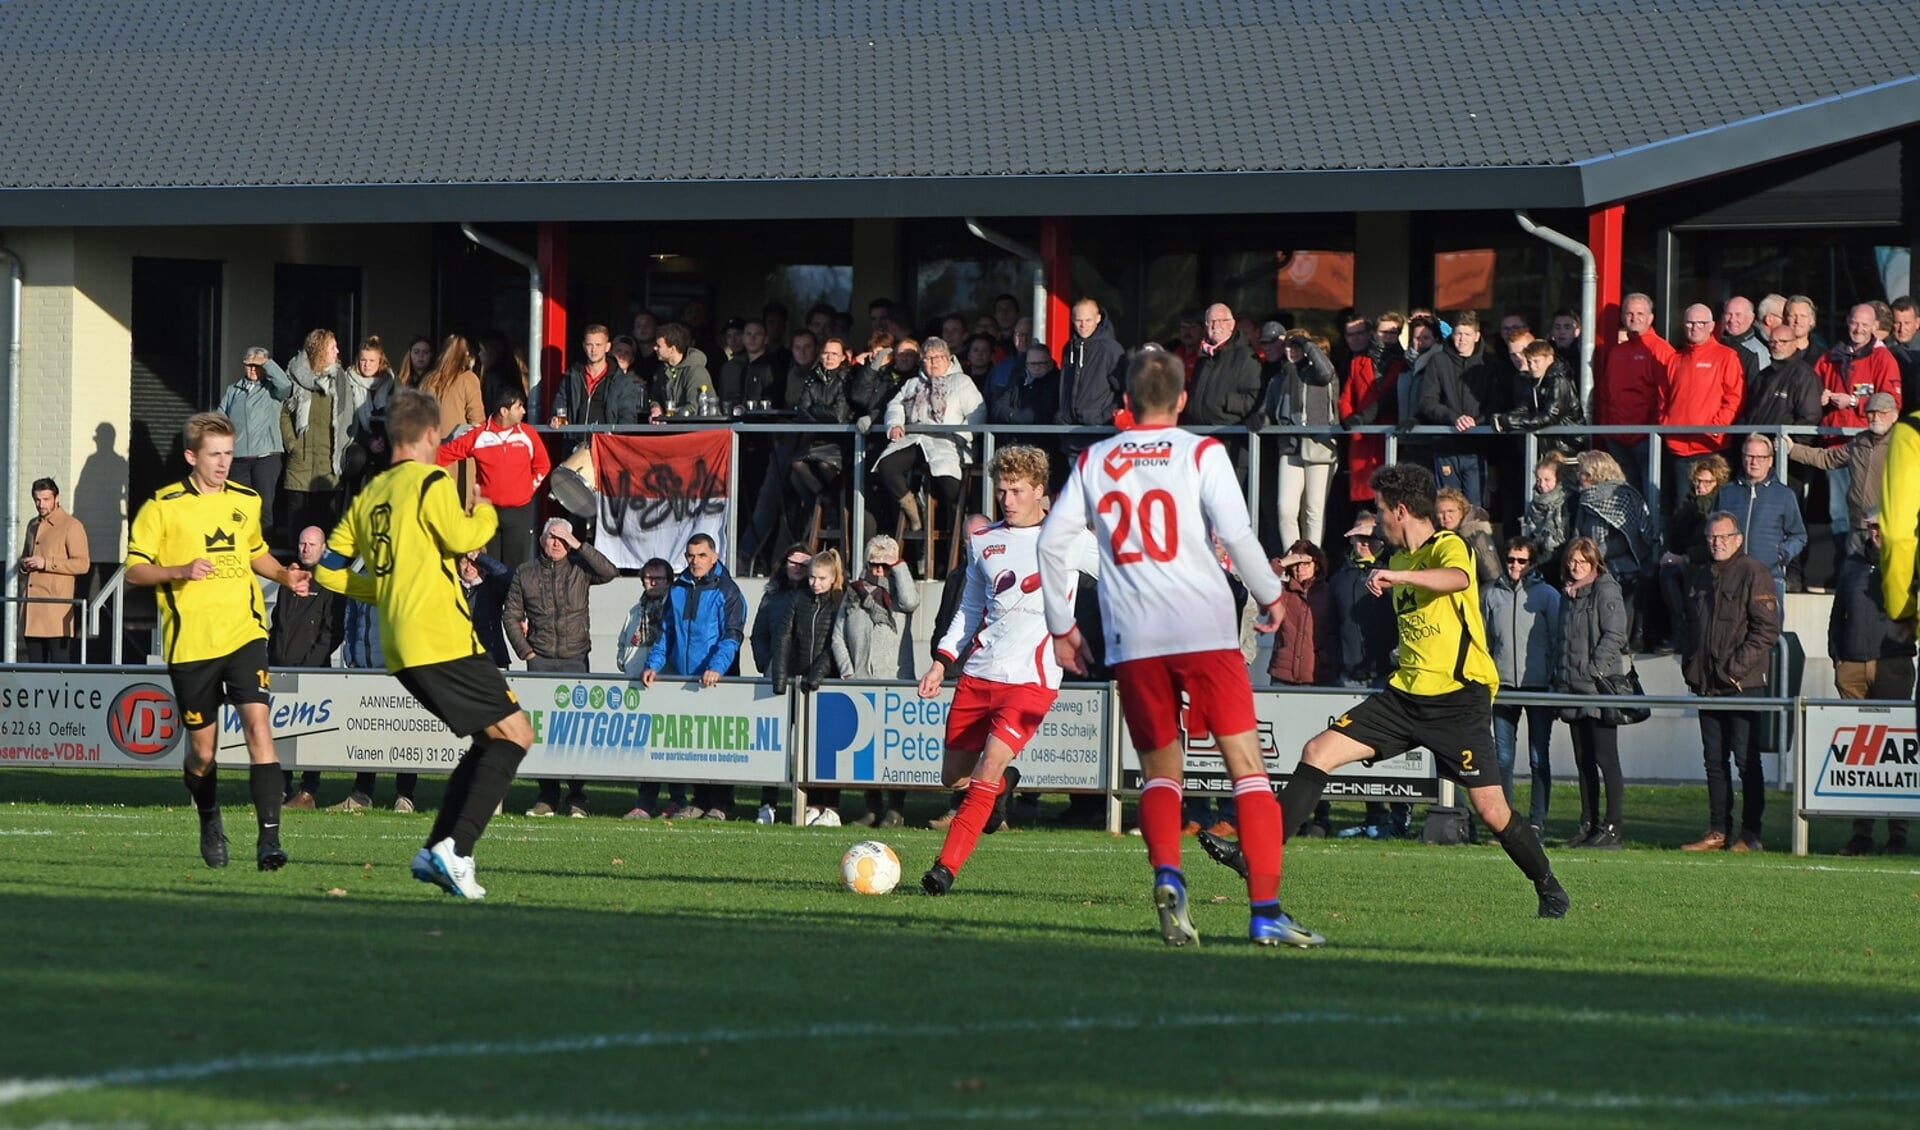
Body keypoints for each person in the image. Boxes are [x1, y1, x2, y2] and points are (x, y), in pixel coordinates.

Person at [1204, 463, 1570, 921]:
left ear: (1401, 511)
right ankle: (1254, 857)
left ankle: (1551, 889)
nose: (1376, 522)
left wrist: (1399, 579)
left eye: (1379, 512)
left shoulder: (1447, 545)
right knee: (1317, 750)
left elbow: (1457, 579)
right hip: (1404, 696)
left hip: (1458, 699)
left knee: (1493, 810)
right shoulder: (1395, 561)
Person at [1040, 353, 1322, 948]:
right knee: (1246, 768)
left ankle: (1169, 875)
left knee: (1159, 773)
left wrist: (1062, 626)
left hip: (1135, 637)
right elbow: (1239, 534)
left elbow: (1051, 542)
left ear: (1126, 399)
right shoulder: (1200, 453)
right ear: (1182, 398)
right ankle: (1265, 910)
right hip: (1205, 629)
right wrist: (1271, 595)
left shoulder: (1095, 459)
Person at [314, 388, 533, 898]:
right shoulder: (431, 479)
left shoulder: (368, 495)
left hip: (399, 646)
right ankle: (456, 849)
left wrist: (383, 591)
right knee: (516, 734)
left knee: (490, 739)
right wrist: (486, 513)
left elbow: (327, 572)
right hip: (440, 636)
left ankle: (437, 848)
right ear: (432, 435)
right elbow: (461, 538)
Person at [126, 412, 312, 871]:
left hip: (244, 634)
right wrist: (178, 571)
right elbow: (133, 569)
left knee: (258, 729)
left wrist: (286, 576)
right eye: (215, 455)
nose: (224, 463)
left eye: (229, 453)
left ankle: (269, 841)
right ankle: (209, 817)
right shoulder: (164, 505)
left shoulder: (246, 500)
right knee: (203, 753)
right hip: (192, 646)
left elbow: (254, 553)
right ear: (192, 456)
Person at [921, 446, 1091, 896]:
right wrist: (942, 661)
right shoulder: (984, 542)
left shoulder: (1070, 538)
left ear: (1040, 492)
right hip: (979, 673)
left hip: (1033, 681)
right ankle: (1000, 789)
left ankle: (944, 869)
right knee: (953, 778)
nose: (1008, 500)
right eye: (1001, 492)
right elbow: (970, 607)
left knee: (989, 765)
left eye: (1016, 491)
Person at [1680, 512, 1783, 852]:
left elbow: (1766, 629)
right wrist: (1691, 666)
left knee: (1745, 760)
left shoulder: (1754, 572)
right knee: (1713, 760)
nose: (1717, 542)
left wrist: (1735, 670)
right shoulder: (1701, 576)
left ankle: (1751, 834)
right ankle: (1717, 830)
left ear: (1738, 539)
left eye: (1724, 537)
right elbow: (1691, 627)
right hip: (1707, 683)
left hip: (1742, 684)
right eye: (1712, 537)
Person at [506, 518, 616, 817]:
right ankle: (547, 796)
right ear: (542, 541)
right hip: (539, 661)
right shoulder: (525, 572)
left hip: (575, 661)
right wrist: (526, 653)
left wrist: (579, 543)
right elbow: (511, 615)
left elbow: (610, 571)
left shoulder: (581, 568)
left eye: (563, 539)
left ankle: (578, 795)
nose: (557, 543)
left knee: (576, 732)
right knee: (543, 732)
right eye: (552, 537)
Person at [642, 533, 748, 820]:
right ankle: (699, 801)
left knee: (721, 745)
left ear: (714, 557)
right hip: (685, 680)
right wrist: (653, 664)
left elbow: (732, 635)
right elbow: (666, 633)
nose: (695, 561)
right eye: (690, 556)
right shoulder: (677, 589)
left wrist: (717, 667)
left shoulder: (729, 591)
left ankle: (722, 803)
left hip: (718, 679)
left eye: (701, 555)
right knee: (695, 745)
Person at [1831, 511, 1914, 855]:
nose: (1877, 533)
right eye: (1872, 527)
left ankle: (1898, 833)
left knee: (1892, 751)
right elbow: (1837, 615)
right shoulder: (1851, 564)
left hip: (1892, 664)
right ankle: (1861, 833)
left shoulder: (1909, 563)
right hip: (1852, 667)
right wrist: (1838, 658)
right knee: (1859, 754)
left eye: (1882, 526)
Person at [833, 535, 922, 827]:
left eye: (885, 565)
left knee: (894, 750)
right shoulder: (853, 593)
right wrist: (848, 670)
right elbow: (838, 635)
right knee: (867, 748)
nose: (878, 571)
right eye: (874, 564)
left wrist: (898, 568)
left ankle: (896, 809)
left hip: (895, 679)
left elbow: (910, 601)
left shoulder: (899, 592)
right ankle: (871, 807)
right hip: (861, 680)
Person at [1553, 537, 1628, 848]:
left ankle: (1612, 826)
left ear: (1594, 562)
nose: (1576, 566)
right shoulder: (1567, 596)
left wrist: (1594, 670)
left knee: (1605, 759)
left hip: (1599, 688)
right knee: (1583, 760)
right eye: (1572, 560)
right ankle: (1588, 823)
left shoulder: (1605, 589)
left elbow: (1615, 633)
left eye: (1582, 561)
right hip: (1573, 689)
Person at [870, 337, 984, 536]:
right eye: (928, 358)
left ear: (948, 359)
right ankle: (914, 514)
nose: (934, 362)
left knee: (951, 490)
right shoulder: (913, 383)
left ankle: (962, 537)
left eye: (939, 357)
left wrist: (963, 435)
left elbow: (978, 414)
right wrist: (895, 423)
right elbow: (895, 405)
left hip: (948, 442)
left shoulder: (962, 382)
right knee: (887, 465)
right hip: (915, 439)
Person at [1484, 537, 1561, 831]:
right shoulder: (1492, 596)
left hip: (1539, 686)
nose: (1515, 565)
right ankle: (1504, 823)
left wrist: (1553, 678)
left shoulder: (1548, 596)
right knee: (1502, 758)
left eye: (1521, 560)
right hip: (1502, 686)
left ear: (1533, 563)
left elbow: (1557, 640)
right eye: (1511, 559)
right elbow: (1486, 641)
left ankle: (1537, 823)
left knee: (1538, 757)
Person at [437, 384, 550, 568]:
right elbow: (445, 454)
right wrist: (414, 462)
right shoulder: (478, 435)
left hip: (519, 511)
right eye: (518, 407)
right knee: (490, 567)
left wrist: (527, 489)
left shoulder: (527, 434)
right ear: (504, 411)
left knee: (516, 570)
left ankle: (514, 599)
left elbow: (543, 465)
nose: (523, 411)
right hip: (488, 512)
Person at [271, 526, 344, 810]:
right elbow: (279, 623)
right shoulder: (288, 579)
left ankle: (308, 790)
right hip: (282, 667)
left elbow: (331, 632)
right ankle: (282, 787)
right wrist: (273, 655)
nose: (305, 549)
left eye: (311, 544)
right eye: (302, 544)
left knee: (311, 733)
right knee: (283, 732)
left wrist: (311, 666)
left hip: (314, 672)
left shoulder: (330, 583)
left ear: (322, 547)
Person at [772, 551, 849, 817]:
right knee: (802, 747)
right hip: (800, 679)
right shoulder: (799, 598)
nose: (815, 583)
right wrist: (781, 676)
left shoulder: (840, 601)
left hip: (829, 684)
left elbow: (836, 642)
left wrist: (820, 671)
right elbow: (784, 636)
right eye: (812, 577)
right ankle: (811, 803)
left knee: (827, 747)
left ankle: (832, 805)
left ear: (833, 578)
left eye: (821, 578)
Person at [1262, 331, 1339, 554]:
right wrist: (1261, 419)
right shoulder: (1279, 378)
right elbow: (1268, 411)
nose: (1292, 351)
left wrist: (1308, 345)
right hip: (1290, 446)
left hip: (1320, 445)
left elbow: (1326, 372)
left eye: (1298, 346)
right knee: (1285, 509)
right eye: (1289, 346)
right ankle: (1293, 561)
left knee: (1313, 510)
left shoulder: (1318, 374)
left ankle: (1312, 564)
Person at [621, 558, 685, 821]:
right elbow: (624, 640)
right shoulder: (636, 610)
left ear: (669, 580)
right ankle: (644, 803)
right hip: (639, 685)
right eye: (648, 577)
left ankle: (677, 800)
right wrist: (625, 664)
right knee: (645, 749)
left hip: (667, 686)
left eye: (658, 578)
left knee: (671, 748)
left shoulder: (675, 608)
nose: (652, 582)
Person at [1717, 434, 1807, 605]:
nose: (1754, 462)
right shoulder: (1726, 493)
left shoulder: (1784, 495)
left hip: (1769, 578)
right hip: (1730, 578)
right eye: (1749, 456)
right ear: (1743, 458)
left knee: (1768, 631)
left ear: (1770, 460)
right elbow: (1713, 529)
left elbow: (1799, 535)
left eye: (1760, 457)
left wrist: (1782, 553)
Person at [1656, 454, 1733, 654]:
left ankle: (1682, 633)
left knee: (1677, 574)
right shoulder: (1689, 504)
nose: (1700, 486)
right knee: (1652, 575)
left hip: (1707, 561)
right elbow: (1675, 535)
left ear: (1717, 481)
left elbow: (1712, 545)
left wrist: (1684, 557)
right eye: (1697, 480)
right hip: (1688, 557)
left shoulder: (1719, 505)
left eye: (1706, 482)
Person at [18, 477, 91, 663]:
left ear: (57, 498)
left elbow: (83, 564)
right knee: (34, 668)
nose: (40, 504)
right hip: (32, 610)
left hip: (56, 611)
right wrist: (24, 565)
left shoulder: (71, 526)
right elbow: (26, 556)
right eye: (37, 499)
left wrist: (47, 563)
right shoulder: (32, 525)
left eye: (46, 499)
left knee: (59, 668)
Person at [219, 346, 292, 532]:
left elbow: (286, 385)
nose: (253, 369)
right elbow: (220, 420)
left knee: (264, 507)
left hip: (266, 457)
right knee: (238, 508)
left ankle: (264, 552)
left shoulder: (272, 390)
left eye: (257, 365)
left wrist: (266, 363)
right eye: (249, 365)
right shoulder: (233, 391)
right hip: (238, 458)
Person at [1265, 541, 1337, 690]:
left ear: (1316, 566)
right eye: (1296, 564)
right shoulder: (1282, 592)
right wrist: (1283, 562)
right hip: (1283, 674)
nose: (1300, 569)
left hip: (1318, 674)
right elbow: (1260, 586)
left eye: (1306, 564)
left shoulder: (1329, 592)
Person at [1520, 455, 1577, 578]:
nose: (1541, 484)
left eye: (1547, 480)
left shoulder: (1569, 500)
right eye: (1538, 479)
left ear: (1558, 479)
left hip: (1562, 556)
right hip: (1539, 556)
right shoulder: (1534, 503)